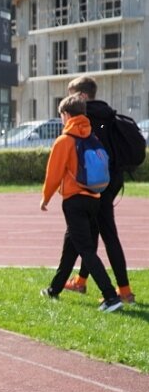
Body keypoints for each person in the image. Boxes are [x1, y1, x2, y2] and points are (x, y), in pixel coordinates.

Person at [39, 95, 123, 313]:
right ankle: (54, 289)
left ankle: (111, 297)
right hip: (94, 198)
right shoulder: (91, 136)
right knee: (71, 247)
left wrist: (45, 198)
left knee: (86, 250)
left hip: (74, 201)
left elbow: (53, 175)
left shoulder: (65, 140)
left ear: (66, 115)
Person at [63, 76, 135, 304]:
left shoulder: (84, 118)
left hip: (93, 185)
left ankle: (124, 292)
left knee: (103, 234)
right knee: (92, 232)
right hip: (113, 180)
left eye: (71, 93)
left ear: (82, 96)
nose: (68, 99)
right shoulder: (108, 115)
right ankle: (82, 281)